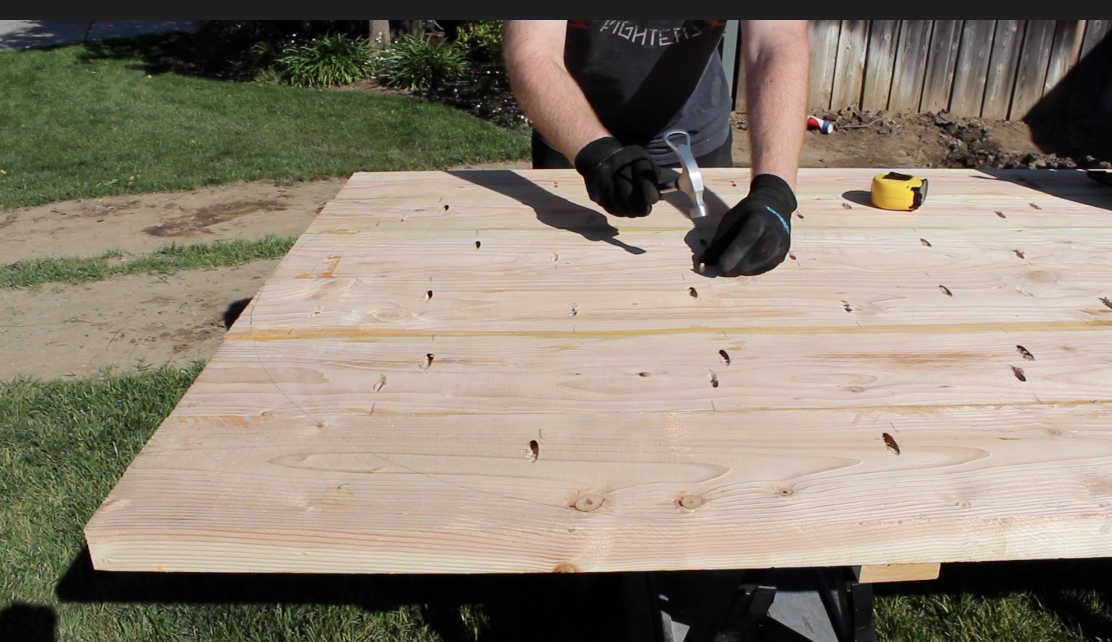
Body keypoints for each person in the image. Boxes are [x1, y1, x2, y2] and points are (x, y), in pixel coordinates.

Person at [503, 20, 809, 276]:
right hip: (574, 139)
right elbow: (534, 49)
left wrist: (775, 191)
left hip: (696, 138)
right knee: (565, 280)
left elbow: (777, 40)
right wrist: (594, 150)